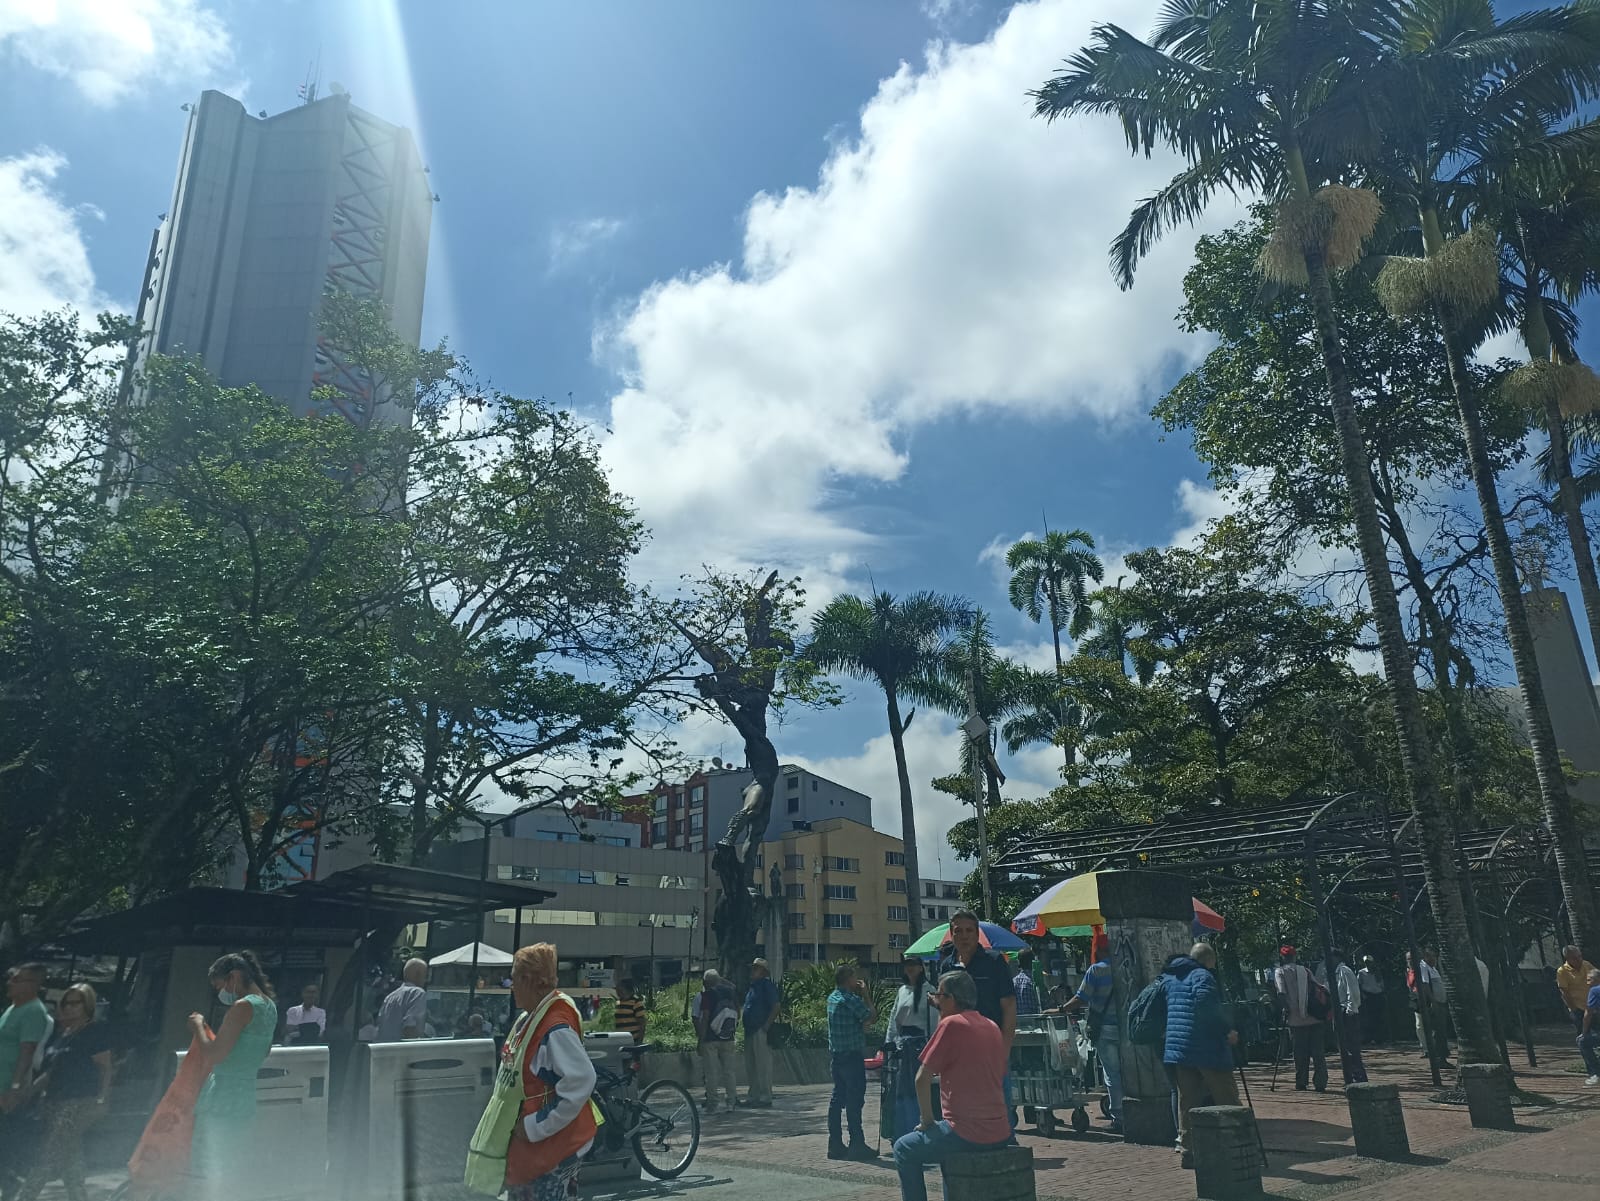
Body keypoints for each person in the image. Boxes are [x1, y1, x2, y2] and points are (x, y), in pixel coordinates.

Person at [469, 943, 598, 1201]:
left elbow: (581, 1079)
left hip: (551, 1149)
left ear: (529, 981)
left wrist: (533, 1126)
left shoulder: (553, 1027)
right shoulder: (532, 1018)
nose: (511, 985)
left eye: (514, 978)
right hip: (539, 1151)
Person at [891, 971, 1010, 1201]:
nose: (935, 1000)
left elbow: (922, 1078)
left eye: (939, 995)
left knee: (903, 1149)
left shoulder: (952, 1025)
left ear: (951, 999)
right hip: (1000, 1130)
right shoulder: (991, 1026)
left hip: (967, 1132)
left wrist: (927, 1121)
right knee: (945, 1149)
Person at [187, 951, 279, 1192]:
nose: (221, 993)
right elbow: (263, 1050)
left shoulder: (243, 1006)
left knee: (210, 1167)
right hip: (244, 1096)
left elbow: (215, 1054)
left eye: (220, 986)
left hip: (222, 1096)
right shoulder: (269, 1007)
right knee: (232, 1166)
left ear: (234, 977)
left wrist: (198, 1026)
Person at [13, 983, 113, 1201]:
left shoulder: (93, 1032)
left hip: (77, 1102)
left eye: (75, 1003)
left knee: (46, 1156)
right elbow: (51, 1072)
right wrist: (28, 1092)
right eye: (65, 1003)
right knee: (70, 1160)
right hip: (53, 1102)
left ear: (87, 1005)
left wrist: (103, 1099)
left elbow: (105, 1067)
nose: (69, 1008)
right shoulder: (63, 1034)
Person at [935, 911, 1017, 1130]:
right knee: (963, 1103)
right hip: (958, 1049)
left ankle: (1006, 1141)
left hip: (991, 1045)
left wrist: (1005, 1049)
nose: (964, 936)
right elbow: (943, 1010)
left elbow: (1008, 1006)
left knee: (999, 1100)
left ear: (977, 933)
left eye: (969, 930)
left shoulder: (993, 961)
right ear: (951, 934)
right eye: (958, 931)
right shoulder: (946, 966)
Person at [1163, 942, 1241, 1169]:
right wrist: (1227, 1031)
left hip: (1178, 1048)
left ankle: (1188, 1150)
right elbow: (1207, 1006)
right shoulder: (1202, 976)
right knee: (1227, 1097)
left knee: (1188, 1101)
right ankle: (1238, 1145)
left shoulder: (1172, 978)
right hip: (1205, 1047)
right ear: (1209, 960)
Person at [1061, 933, 1122, 1134]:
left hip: (1104, 1028)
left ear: (1100, 950)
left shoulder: (1095, 970)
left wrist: (1062, 1009)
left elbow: (1081, 998)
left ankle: (1119, 1117)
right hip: (1125, 1028)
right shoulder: (1124, 968)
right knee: (1127, 1072)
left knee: (1111, 1073)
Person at [0, 964, 51, 1195]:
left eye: (17, 980)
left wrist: (15, 1088)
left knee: (6, 1143)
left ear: (33, 985)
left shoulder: (33, 1011)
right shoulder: (12, 1008)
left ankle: (10, 1185)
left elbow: (26, 1052)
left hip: (8, 1088)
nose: (10, 983)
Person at [884, 953, 939, 1141]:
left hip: (920, 1046)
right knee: (900, 1091)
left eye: (913, 965)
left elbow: (934, 1023)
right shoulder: (902, 991)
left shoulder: (929, 991)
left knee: (919, 1089)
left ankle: (921, 1129)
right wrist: (889, 1042)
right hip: (902, 1048)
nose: (910, 969)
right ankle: (901, 1131)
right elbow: (894, 1019)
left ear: (921, 968)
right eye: (907, 965)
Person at [825, 963, 876, 1161]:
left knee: (837, 1099)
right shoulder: (851, 1000)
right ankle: (857, 1142)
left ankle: (835, 1143)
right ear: (848, 980)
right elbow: (871, 1016)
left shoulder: (832, 998)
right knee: (855, 1100)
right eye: (854, 978)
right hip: (852, 1056)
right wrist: (866, 994)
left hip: (837, 1056)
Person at [1274, 946, 1327, 1092]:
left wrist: (1285, 1009)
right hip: (1314, 1017)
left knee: (1300, 1053)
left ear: (1283, 957)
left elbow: (1281, 992)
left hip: (1295, 1019)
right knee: (1318, 1053)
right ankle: (1321, 1082)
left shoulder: (1280, 972)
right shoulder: (1305, 970)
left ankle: (1301, 1082)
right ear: (1295, 956)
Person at [693, 969, 738, 1114]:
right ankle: (731, 1102)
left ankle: (713, 1104)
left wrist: (701, 1039)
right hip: (728, 1037)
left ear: (706, 982)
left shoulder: (708, 995)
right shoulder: (731, 992)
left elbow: (705, 1017)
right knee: (729, 1072)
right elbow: (738, 1012)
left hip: (710, 1039)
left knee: (711, 1073)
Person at [739, 959, 780, 1108]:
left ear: (763, 972)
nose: (753, 970)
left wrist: (766, 1025)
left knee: (763, 1065)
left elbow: (776, 1006)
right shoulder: (752, 988)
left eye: (756, 968)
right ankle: (753, 1096)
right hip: (749, 1031)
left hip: (760, 1030)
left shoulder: (766, 986)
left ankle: (765, 1097)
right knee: (751, 1066)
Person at [1328, 949, 1367, 1085]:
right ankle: (1352, 1075)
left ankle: (1358, 1077)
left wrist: (1350, 1010)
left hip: (1346, 1012)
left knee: (1351, 1047)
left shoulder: (1345, 970)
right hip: (1338, 1011)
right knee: (1343, 1047)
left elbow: (1353, 991)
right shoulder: (1334, 973)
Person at [1406, 950, 1451, 1067]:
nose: (1433, 958)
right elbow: (1425, 985)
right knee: (1437, 1031)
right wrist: (1433, 1002)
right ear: (1424, 957)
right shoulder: (1423, 967)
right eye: (1430, 956)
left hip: (1441, 1002)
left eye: (1434, 956)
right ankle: (1439, 1058)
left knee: (1440, 1031)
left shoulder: (1433, 968)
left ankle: (1442, 1057)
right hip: (1434, 1004)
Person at [378, 958, 429, 1041]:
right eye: (425, 975)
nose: (426, 980)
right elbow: (410, 1028)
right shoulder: (418, 993)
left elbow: (380, 1025)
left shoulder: (390, 997)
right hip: (403, 1051)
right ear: (418, 975)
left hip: (384, 1049)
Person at [1556, 945, 1596, 1035]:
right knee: (1584, 1036)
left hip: (1593, 1006)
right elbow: (1564, 993)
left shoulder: (1586, 964)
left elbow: (1597, 977)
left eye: (1579, 956)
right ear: (1567, 959)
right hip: (1579, 1009)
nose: (1579, 960)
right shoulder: (1562, 972)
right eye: (1574, 958)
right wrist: (1574, 1009)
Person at [1578, 967, 1600, 1087]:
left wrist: (1584, 1032)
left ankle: (1595, 1073)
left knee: (1583, 1042)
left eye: (1589, 980)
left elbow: (1588, 1013)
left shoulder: (1595, 991)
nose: (1587, 983)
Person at [1357, 955, 1385, 1045]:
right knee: (1368, 1018)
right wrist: (1362, 995)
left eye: (1369, 962)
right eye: (1366, 962)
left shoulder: (1377, 971)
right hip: (1368, 996)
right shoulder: (1361, 972)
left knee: (1378, 1017)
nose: (1368, 964)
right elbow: (1359, 985)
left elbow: (1381, 984)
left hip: (1378, 995)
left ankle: (1379, 1038)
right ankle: (1369, 1037)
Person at [612, 979, 647, 1043]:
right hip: (619, 1039)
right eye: (617, 990)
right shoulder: (618, 1003)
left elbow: (642, 1023)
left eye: (620, 990)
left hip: (633, 1038)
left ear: (627, 990)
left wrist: (640, 1040)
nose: (618, 992)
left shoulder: (636, 1003)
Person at [1012, 950, 1041, 1018]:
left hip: (1018, 1023)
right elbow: (1044, 1004)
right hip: (1036, 1022)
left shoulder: (1013, 981)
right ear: (1032, 961)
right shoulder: (1035, 981)